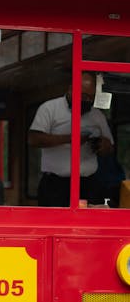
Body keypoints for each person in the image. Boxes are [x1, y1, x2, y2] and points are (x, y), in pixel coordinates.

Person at [28, 72, 114, 206]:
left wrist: (102, 145)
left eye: (91, 98)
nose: (88, 101)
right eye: (84, 96)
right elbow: (34, 139)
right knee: (54, 225)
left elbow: (109, 148)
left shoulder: (97, 116)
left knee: (88, 225)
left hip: (88, 183)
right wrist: (70, 139)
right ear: (71, 90)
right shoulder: (50, 109)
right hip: (56, 185)